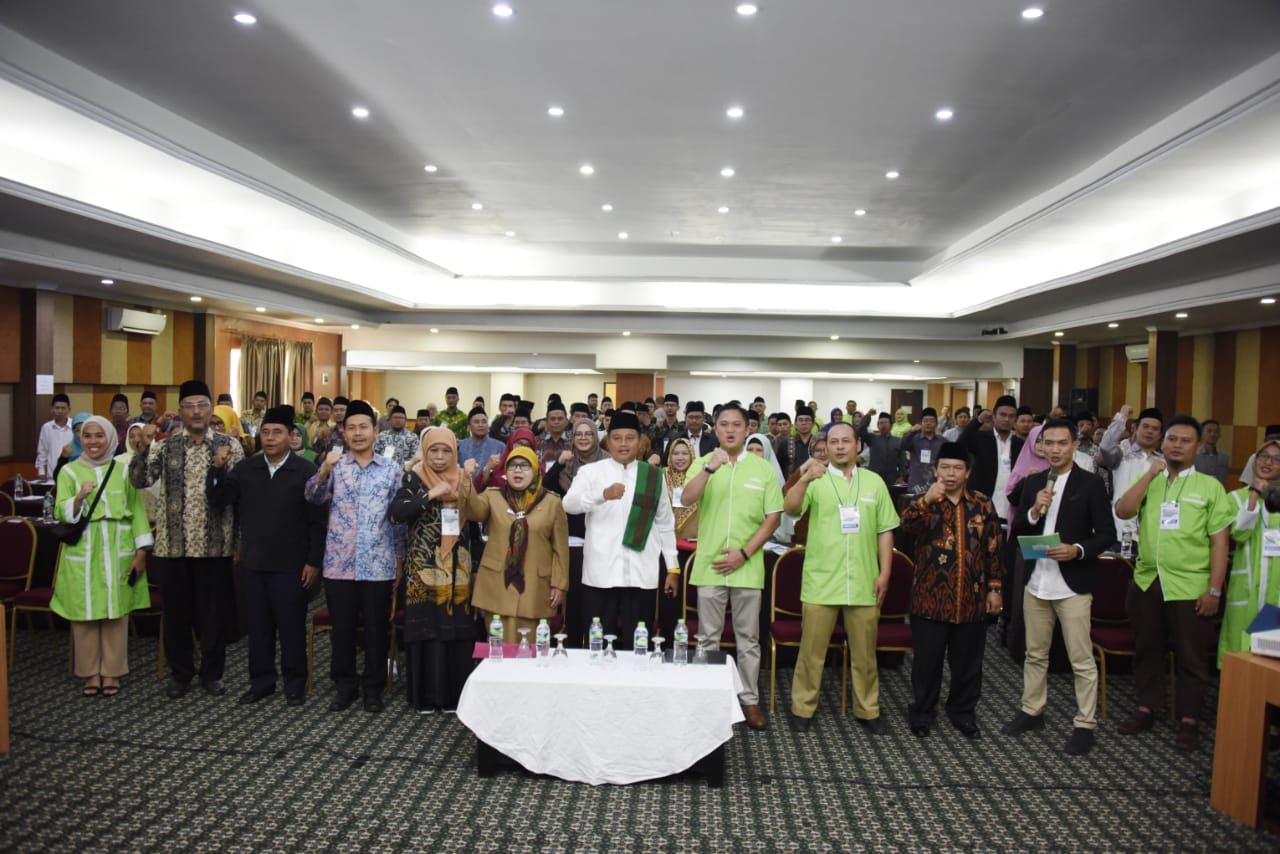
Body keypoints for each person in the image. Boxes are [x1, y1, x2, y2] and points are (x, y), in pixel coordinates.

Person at [1114, 415, 1233, 750]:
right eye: (1171, 439)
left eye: (1185, 440)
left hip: (1189, 585)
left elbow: (1220, 542)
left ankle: (1189, 719)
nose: (1176, 445)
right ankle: (1147, 706)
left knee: (1191, 656)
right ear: (1162, 443)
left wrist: (1214, 590)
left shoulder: (1210, 487)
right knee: (1147, 648)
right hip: (1148, 580)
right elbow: (1123, 511)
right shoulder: (1149, 478)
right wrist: (1149, 475)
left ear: (1197, 447)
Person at [1002, 419, 1115, 755]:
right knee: (1034, 653)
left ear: (1074, 445)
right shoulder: (1034, 481)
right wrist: (1035, 509)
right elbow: (1020, 525)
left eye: (1061, 443)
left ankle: (1085, 723)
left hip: (1073, 584)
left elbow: (1107, 534)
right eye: (1047, 443)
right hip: (1036, 580)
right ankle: (1032, 710)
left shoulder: (1091, 484)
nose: (1053, 450)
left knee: (1081, 658)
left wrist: (1077, 550)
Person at [130, 379, 244, 698]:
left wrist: (238, 543)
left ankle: (212, 674)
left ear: (211, 409)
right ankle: (180, 674)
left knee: (213, 616)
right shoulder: (166, 446)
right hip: (172, 546)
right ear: (180, 411)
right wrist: (140, 450)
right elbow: (141, 480)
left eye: (202, 405)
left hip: (214, 546)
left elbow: (236, 497)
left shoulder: (228, 446)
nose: (196, 412)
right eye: (189, 406)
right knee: (176, 615)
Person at [783, 422, 898, 735]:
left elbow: (885, 530)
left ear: (858, 445)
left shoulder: (874, 483)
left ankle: (868, 709)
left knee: (865, 653)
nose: (840, 447)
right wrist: (804, 477)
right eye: (833, 442)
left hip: (863, 579)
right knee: (811, 652)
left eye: (846, 441)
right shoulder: (817, 480)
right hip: (822, 579)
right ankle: (802, 708)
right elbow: (790, 508)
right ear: (826, 447)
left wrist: (885, 573)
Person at [208, 405, 325, 706]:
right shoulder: (247, 469)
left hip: (292, 565)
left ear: (291, 436)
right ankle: (261, 683)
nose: (270, 438)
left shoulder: (305, 471)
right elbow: (219, 500)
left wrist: (313, 561)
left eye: (277, 432)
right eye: (266, 432)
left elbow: (317, 521)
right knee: (257, 629)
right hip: (254, 564)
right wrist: (217, 469)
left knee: (291, 628)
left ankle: (295, 683)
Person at [680, 404, 783, 731]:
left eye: (736, 425)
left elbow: (773, 518)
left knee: (748, 639)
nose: (729, 430)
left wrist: (744, 553)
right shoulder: (703, 461)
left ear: (747, 428)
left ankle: (749, 700)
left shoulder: (762, 468)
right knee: (707, 637)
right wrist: (709, 469)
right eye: (723, 424)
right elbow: (686, 498)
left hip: (747, 565)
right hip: (710, 564)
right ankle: (706, 697)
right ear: (716, 429)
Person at [305, 399, 404, 713]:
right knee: (342, 630)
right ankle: (344, 686)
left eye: (364, 427)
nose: (358, 433)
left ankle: (373, 688)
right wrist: (324, 470)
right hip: (339, 563)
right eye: (351, 428)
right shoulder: (334, 465)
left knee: (376, 630)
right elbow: (312, 497)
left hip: (379, 562)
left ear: (375, 431)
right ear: (343, 433)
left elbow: (399, 518)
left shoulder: (391, 470)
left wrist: (399, 558)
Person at [899, 442, 1002, 738]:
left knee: (968, 663)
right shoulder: (922, 500)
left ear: (967, 472)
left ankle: (962, 712)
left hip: (971, 598)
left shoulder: (982, 503)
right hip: (930, 599)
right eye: (945, 467)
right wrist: (925, 501)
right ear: (935, 470)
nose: (951, 474)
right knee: (926, 663)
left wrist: (995, 589)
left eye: (957, 468)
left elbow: (993, 548)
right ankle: (922, 712)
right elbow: (906, 527)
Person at [51, 415, 152, 697]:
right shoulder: (69, 472)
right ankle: (89, 673)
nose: (93, 442)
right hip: (83, 547)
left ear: (109, 438)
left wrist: (141, 550)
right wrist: (79, 498)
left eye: (99, 436)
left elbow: (138, 512)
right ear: (80, 439)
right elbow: (60, 511)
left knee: (115, 612)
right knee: (83, 613)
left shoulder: (122, 470)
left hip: (118, 546)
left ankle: (112, 672)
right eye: (87, 436)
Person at [563, 411, 678, 651]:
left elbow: (666, 525)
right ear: (608, 441)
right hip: (600, 575)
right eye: (617, 438)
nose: (623, 444)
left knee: (638, 646)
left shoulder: (654, 476)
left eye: (630, 438)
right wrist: (601, 495)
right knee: (598, 644)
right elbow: (569, 504)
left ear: (640, 441)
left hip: (641, 574)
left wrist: (673, 568)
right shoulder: (591, 473)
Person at [389, 427, 478, 714]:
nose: (439, 457)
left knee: (457, 629)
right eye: (433, 451)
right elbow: (396, 513)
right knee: (427, 628)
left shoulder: (464, 478)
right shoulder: (415, 478)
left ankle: (455, 697)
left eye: (446, 451)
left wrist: (475, 567)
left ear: (455, 452)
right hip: (423, 568)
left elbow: (475, 522)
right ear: (424, 453)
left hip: (458, 569)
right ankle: (425, 697)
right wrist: (430, 495)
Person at [468, 445, 570, 642]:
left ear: (535, 470)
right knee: (499, 649)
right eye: (512, 465)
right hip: (498, 584)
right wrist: (466, 481)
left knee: (531, 650)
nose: (517, 470)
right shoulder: (492, 496)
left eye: (524, 466)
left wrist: (558, 584)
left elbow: (560, 549)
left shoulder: (552, 502)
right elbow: (472, 511)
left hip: (535, 586)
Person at [1218, 436, 1280, 665]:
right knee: (1240, 651)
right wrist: (1254, 493)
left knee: (1271, 654)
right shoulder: (1234, 498)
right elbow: (1238, 533)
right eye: (1264, 456)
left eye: (1276, 459)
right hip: (1247, 585)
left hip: (1276, 588)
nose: (1268, 462)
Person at [1101, 405, 1163, 545]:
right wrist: (1122, 417)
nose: (1149, 431)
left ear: (1160, 435)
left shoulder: (1164, 462)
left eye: (1155, 429)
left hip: (1151, 534)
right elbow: (1105, 446)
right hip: (1120, 530)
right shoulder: (1122, 453)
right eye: (1145, 426)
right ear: (1135, 428)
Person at [959, 395, 1024, 524]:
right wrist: (978, 420)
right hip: (982, 504)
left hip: (1009, 507)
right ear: (994, 416)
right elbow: (960, 444)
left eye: (1011, 416)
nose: (1006, 419)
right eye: (1003, 415)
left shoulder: (1020, 444)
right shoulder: (982, 438)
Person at [900, 407, 945, 491]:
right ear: (921, 423)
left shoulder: (942, 441)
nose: (928, 423)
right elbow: (903, 445)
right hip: (917, 483)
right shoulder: (914, 439)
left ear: (936, 423)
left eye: (931, 421)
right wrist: (911, 432)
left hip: (936, 483)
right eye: (925, 421)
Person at [663, 437, 699, 540]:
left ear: (691, 455)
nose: (680, 458)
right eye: (675, 453)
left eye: (684, 453)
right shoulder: (663, 475)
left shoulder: (698, 476)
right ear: (670, 455)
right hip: (666, 539)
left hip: (693, 540)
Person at [858, 409, 906, 487]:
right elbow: (861, 430)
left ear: (891, 425)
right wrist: (868, 415)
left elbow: (902, 461)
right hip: (874, 479)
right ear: (878, 426)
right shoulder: (872, 439)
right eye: (881, 423)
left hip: (892, 480)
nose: (883, 425)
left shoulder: (898, 441)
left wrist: (901, 476)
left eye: (886, 423)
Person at [35, 392, 73, 479]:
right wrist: (41, 472)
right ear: (52, 409)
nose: (60, 411)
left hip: (71, 474)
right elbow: (42, 451)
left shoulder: (75, 427)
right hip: (51, 475)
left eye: (63, 408)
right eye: (57, 408)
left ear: (69, 410)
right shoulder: (46, 427)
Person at [774, 405, 816, 479]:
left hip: (815, 485)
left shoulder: (819, 444)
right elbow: (779, 469)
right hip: (792, 487)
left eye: (807, 420)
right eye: (800, 420)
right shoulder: (785, 444)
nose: (803, 423)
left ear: (813, 424)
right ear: (795, 424)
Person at [537, 401, 572, 470]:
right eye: (552, 419)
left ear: (566, 422)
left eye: (560, 419)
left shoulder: (574, 440)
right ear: (546, 422)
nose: (556, 422)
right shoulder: (537, 441)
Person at [1195, 419, 1229, 485]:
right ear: (1201, 433)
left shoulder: (1224, 457)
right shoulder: (1194, 454)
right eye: (1209, 431)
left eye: (1216, 431)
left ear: (1219, 435)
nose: (1213, 434)